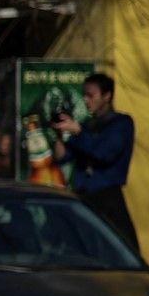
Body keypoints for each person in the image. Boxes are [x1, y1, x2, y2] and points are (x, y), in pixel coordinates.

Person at [55, 72, 140, 252]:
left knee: (119, 247)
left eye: (91, 95)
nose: (86, 100)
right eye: (84, 95)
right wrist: (58, 134)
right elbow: (63, 157)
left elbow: (104, 154)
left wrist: (79, 132)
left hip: (107, 197)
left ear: (107, 96)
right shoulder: (87, 125)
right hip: (83, 196)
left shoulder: (121, 124)